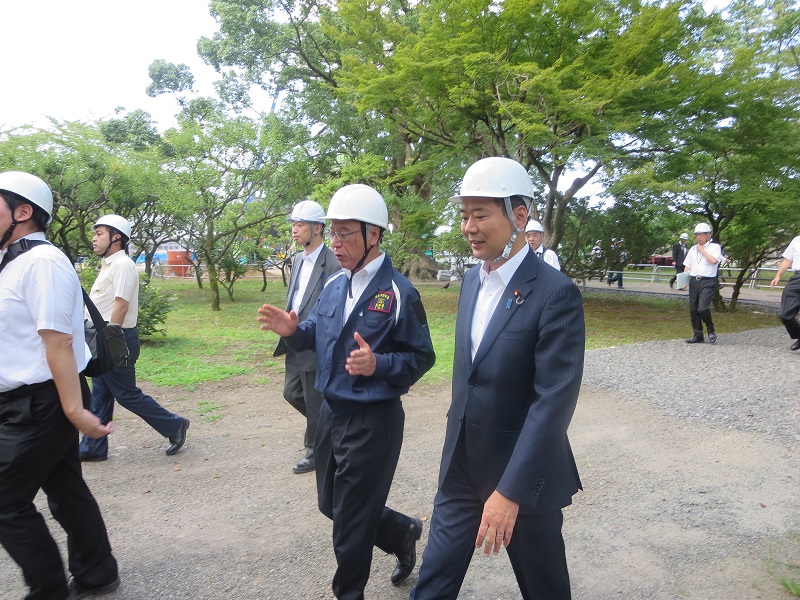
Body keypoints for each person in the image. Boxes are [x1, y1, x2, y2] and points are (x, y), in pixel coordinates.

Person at [411, 157, 584, 600]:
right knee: (432, 585)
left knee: (545, 589)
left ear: (518, 215)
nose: (468, 226)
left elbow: (554, 401)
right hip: (462, 468)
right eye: (464, 214)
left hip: (525, 478)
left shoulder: (554, 293)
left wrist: (510, 492)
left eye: (480, 214)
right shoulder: (470, 282)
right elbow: (470, 378)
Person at [257, 184, 436, 599]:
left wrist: (380, 364)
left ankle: (347, 593)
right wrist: (293, 332)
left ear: (373, 235)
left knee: (350, 527)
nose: (335, 242)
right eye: (332, 233)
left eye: (345, 233)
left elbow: (421, 357)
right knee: (331, 504)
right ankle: (402, 530)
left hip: (373, 421)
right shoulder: (335, 285)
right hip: (329, 413)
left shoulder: (397, 294)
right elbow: (314, 333)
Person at [0, 171, 120, 599]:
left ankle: (48, 589)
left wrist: (73, 410)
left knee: (5, 500)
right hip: (29, 398)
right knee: (65, 489)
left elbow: (58, 341)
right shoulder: (13, 262)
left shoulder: (43, 263)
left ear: (23, 211)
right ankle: (97, 571)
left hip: (45, 401)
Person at [79, 215, 190, 461]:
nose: (94, 239)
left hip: (115, 339)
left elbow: (120, 305)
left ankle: (175, 425)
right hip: (103, 339)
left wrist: (109, 341)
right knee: (101, 394)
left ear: (116, 237)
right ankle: (92, 448)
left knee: (126, 393)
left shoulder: (123, 265)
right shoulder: (109, 264)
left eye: (99, 234)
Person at [274, 200, 340, 474]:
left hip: (317, 340)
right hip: (295, 337)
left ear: (318, 228)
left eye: (300, 224)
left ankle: (314, 449)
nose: (294, 229)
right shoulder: (299, 259)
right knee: (291, 392)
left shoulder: (334, 262)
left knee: (314, 399)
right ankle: (331, 427)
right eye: (293, 224)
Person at [683, 223, 721, 344]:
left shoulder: (715, 247)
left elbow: (714, 261)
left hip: (708, 281)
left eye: (701, 234)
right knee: (694, 309)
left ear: (708, 235)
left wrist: (703, 251)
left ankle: (711, 330)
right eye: (696, 234)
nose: (698, 237)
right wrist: (684, 280)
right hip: (694, 280)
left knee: (703, 308)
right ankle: (698, 334)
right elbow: (687, 265)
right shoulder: (692, 249)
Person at [770, 235, 800, 351]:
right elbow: (788, 260)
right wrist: (778, 276)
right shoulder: (797, 240)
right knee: (785, 315)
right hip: (797, 278)